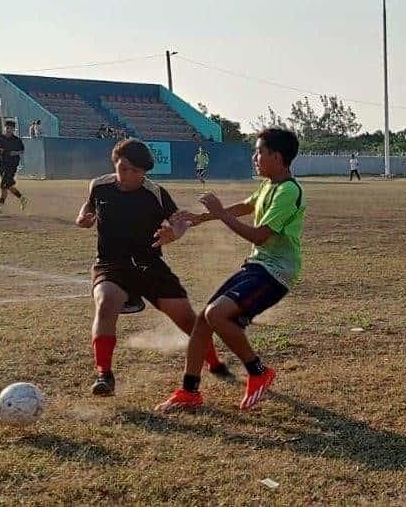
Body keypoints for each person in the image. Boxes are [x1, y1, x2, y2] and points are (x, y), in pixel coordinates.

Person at [155, 128, 306, 412]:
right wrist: (202, 218)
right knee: (204, 321)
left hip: (276, 274)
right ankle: (189, 392)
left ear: (277, 156)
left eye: (259, 152)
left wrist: (220, 213)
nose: (255, 157)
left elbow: (259, 236)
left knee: (216, 314)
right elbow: (245, 207)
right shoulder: (269, 185)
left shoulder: (289, 191)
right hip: (257, 266)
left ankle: (258, 371)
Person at [75, 138, 228, 397]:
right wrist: (83, 217)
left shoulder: (155, 192)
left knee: (186, 319)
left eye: (135, 171)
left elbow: (178, 221)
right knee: (105, 303)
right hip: (111, 264)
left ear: (144, 171)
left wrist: (174, 234)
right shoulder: (99, 186)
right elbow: (89, 205)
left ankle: (214, 363)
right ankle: (104, 375)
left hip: (149, 265)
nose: (127, 175)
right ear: (115, 163)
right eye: (123, 168)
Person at [0, 121, 28, 215]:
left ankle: (0, 206)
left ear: (13, 130)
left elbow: (22, 150)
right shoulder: (0, 137)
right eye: (7, 128)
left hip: (12, 165)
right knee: (8, 185)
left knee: (3, 185)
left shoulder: (17, 140)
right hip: (2, 164)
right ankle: (22, 198)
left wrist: (15, 153)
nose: (8, 130)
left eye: (11, 128)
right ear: (5, 128)